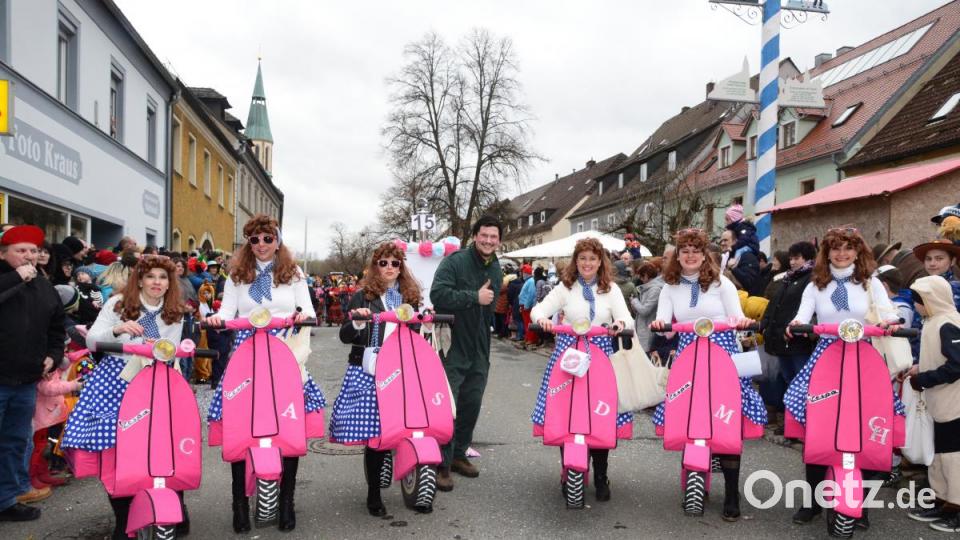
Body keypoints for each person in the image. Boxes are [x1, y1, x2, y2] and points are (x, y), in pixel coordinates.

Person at [203, 214, 322, 533]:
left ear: (278, 240)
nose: (261, 245)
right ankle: (239, 502)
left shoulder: (293, 273)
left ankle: (286, 500)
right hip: (246, 353)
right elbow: (227, 312)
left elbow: (308, 311)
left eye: (267, 238)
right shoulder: (237, 274)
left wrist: (300, 317)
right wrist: (217, 319)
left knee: (288, 425)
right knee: (242, 425)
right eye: (254, 240)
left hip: (284, 350)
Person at [784, 227, 902, 527]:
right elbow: (803, 314)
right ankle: (812, 502)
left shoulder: (871, 283)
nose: (841, 254)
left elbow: (887, 313)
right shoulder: (816, 285)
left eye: (848, 248)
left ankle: (860, 505)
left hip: (862, 356)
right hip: (826, 356)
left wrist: (892, 322)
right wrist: (795, 324)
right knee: (817, 428)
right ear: (826, 253)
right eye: (835, 248)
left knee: (867, 427)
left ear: (858, 251)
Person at [61, 256, 184, 538]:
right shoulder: (118, 303)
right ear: (139, 279)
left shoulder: (174, 310)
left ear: (169, 282)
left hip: (155, 379)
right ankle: (123, 519)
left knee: (160, 448)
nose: (156, 282)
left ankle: (173, 508)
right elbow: (92, 340)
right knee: (117, 453)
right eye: (150, 276)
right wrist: (118, 329)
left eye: (163, 277)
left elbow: (174, 349)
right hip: (116, 380)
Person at [649, 228, 765, 522]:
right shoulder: (670, 286)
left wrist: (740, 321)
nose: (690, 255)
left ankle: (731, 493)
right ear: (678, 255)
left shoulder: (720, 283)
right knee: (690, 416)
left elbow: (735, 314)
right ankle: (694, 480)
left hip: (722, 353)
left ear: (704, 255)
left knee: (726, 421)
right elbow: (664, 317)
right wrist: (661, 323)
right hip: (689, 355)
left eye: (695, 251)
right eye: (684, 250)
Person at [531, 238, 633, 502]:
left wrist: (619, 323)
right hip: (568, 358)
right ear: (576, 261)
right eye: (583, 258)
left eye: (593, 258)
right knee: (567, 415)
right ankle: (569, 471)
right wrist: (541, 318)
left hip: (600, 358)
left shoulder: (610, 289)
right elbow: (539, 309)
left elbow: (625, 316)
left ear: (601, 262)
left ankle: (601, 475)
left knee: (600, 416)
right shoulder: (565, 288)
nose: (587, 263)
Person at [332, 242, 428, 516]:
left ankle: (406, 470)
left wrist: (424, 322)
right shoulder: (363, 296)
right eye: (383, 263)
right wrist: (359, 322)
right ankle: (374, 491)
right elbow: (344, 335)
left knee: (405, 424)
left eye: (394, 264)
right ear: (375, 266)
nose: (389, 268)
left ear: (401, 268)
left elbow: (418, 329)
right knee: (375, 434)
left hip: (402, 365)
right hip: (369, 368)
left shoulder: (410, 295)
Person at [430, 215, 503, 491]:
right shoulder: (455, 261)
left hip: (480, 345)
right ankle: (441, 463)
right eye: (484, 235)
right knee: (449, 405)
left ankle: (459, 454)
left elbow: (490, 306)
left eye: (493, 237)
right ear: (475, 236)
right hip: (453, 343)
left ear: (499, 240)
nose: (488, 240)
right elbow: (438, 295)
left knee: (471, 402)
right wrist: (473, 297)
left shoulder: (495, 265)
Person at [0, 226, 65, 522]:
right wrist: (15, 279)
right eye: (20, 250)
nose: (28, 256)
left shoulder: (44, 287)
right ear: (3, 254)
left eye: (32, 250)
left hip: (26, 380)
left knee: (16, 441)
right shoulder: (9, 280)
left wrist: (54, 355)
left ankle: (7, 500)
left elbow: (56, 328)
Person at [902, 276, 960, 532]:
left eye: (918, 301)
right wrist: (918, 368)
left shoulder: (948, 323)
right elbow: (939, 356)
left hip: (953, 403)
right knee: (939, 455)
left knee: (953, 457)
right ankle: (943, 500)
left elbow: (957, 365)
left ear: (931, 300)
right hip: (941, 402)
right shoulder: (934, 321)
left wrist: (924, 379)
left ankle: (957, 507)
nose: (915, 306)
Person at [760, 241, 817, 429]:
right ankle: (790, 422)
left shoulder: (811, 279)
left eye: (797, 258)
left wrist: (801, 329)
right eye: (791, 258)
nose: (792, 262)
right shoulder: (789, 278)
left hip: (798, 339)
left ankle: (800, 423)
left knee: (800, 382)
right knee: (788, 380)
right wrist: (766, 325)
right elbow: (775, 304)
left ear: (808, 259)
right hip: (781, 339)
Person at [913, 239, 960, 311]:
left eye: (939, 259)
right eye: (928, 259)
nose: (932, 263)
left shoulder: (955, 289)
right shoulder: (921, 285)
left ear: (953, 261)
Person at [630, 260, 664, 353]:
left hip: (647, 331)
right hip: (642, 329)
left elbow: (645, 311)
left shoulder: (655, 290)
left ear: (646, 275)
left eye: (641, 276)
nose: (640, 278)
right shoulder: (647, 288)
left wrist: (634, 301)